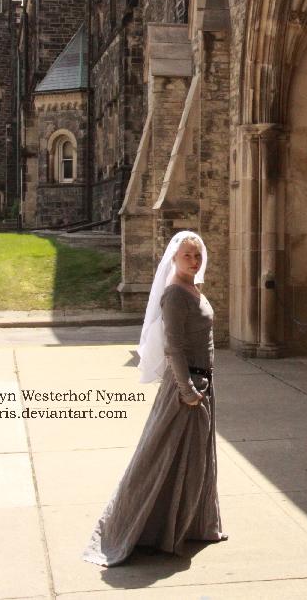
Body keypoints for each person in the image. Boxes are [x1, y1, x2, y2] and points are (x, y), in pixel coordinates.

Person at [82, 230, 227, 566]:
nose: (195, 260)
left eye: (198, 254)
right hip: (185, 387)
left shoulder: (192, 288)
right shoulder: (175, 295)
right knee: (160, 458)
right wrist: (187, 390)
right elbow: (173, 346)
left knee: (195, 459)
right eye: (188, 255)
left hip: (203, 384)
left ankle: (194, 524)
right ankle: (144, 529)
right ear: (173, 258)